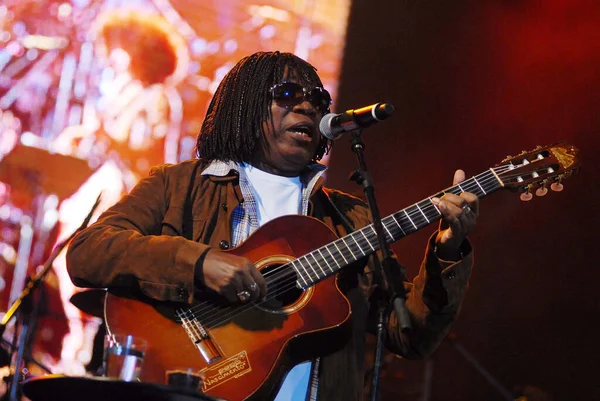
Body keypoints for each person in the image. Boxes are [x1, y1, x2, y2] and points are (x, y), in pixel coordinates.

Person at [66, 51, 478, 401]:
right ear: (245, 105)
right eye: (287, 95)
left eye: (318, 99)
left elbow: (411, 337)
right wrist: (199, 262)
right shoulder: (180, 185)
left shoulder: (349, 219)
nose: (308, 107)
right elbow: (89, 251)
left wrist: (447, 248)